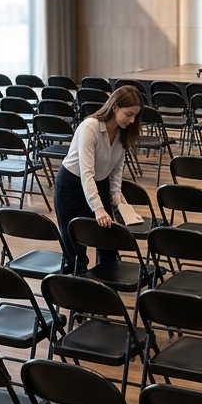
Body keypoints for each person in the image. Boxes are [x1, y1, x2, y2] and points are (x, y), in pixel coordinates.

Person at [54, 85, 143, 274]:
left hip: (98, 183)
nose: (132, 120)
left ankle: (105, 288)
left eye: (135, 115)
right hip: (72, 184)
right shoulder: (90, 127)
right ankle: (77, 290)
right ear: (115, 107)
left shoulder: (123, 131)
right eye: (129, 114)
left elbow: (117, 170)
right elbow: (87, 173)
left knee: (107, 242)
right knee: (76, 247)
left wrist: (116, 196)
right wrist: (98, 208)